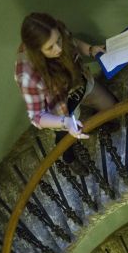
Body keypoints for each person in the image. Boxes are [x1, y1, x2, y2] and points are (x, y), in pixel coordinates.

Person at [15, 12, 119, 175]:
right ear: (37, 51)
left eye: (58, 40)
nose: (59, 48)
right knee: (66, 139)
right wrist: (65, 122)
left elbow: (73, 42)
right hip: (61, 108)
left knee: (112, 106)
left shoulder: (58, 32)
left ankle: (98, 121)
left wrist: (91, 49)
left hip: (81, 82)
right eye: (50, 47)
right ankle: (69, 159)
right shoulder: (28, 75)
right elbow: (37, 116)